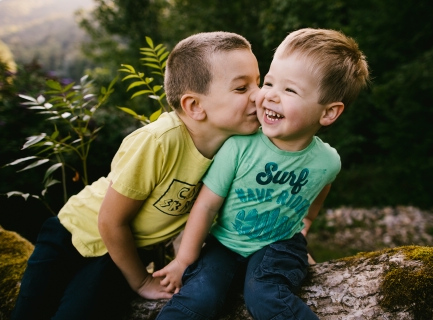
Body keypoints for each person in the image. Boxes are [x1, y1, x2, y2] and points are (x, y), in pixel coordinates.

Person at [11, 31, 261, 320]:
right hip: (74, 233)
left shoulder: (236, 149)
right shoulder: (160, 141)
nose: (260, 94)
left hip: (121, 251)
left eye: (259, 82)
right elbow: (110, 220)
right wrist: (142, 280)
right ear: (195, 106)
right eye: (242, 88)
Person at [154, 28, 370, 320]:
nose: (269, 96)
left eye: (289, 90)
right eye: (269, 82)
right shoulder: (238, 147)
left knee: (265, 296)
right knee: (200, 297)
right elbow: (205, 206)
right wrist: (183, 259)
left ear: (328, 113)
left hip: (280, 245)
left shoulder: (327, 161)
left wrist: (304, 226)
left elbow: (318, 193)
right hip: (226, 243)